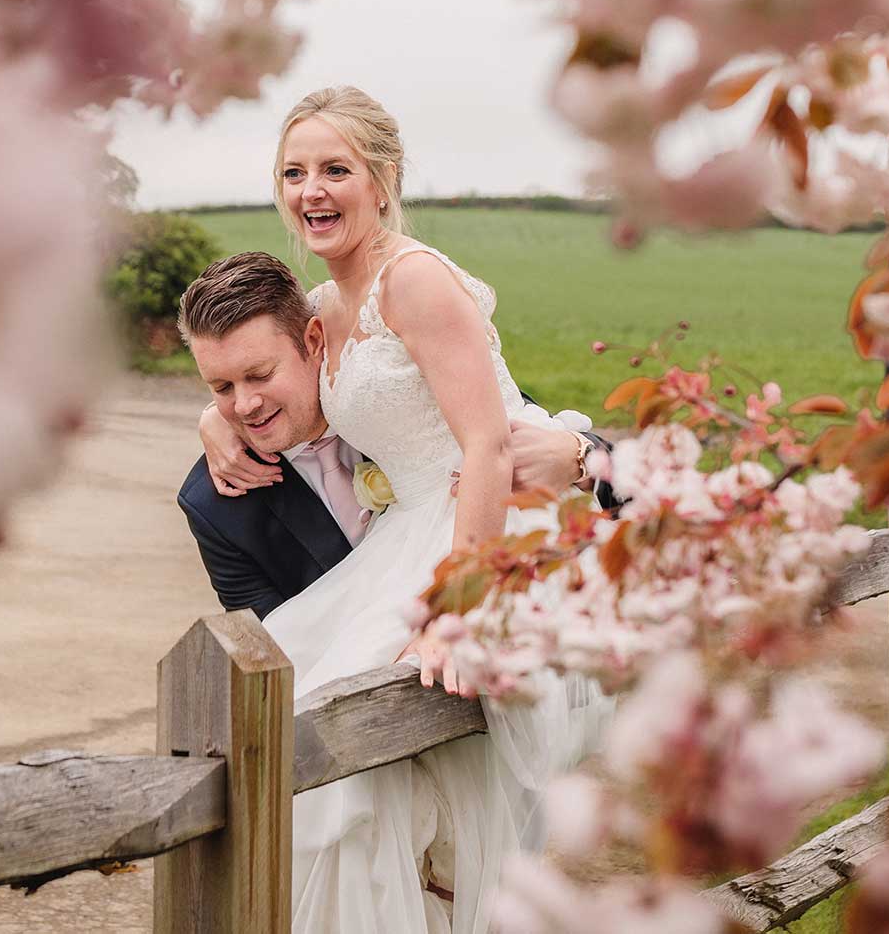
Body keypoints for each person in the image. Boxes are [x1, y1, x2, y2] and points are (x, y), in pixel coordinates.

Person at [229, 85, 608, 934]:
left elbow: (485, 445)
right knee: (300, 729)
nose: (311, 190)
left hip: (486, 532)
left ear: (383, 178)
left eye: (336, 169)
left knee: (358, 763)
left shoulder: (418, 280)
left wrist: (456, 610)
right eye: (294, 172)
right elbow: (291, 403)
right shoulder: (325, 308)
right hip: (407, 536)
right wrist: (215, 417)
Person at [174, 250, 612, 617]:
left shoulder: (399, 391)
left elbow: (600, 463)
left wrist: (577, 456)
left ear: (312, 342)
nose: (245, 405)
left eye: (260, 374)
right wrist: (215, 415)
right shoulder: (216, 506)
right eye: (222, 387)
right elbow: (273, 656)